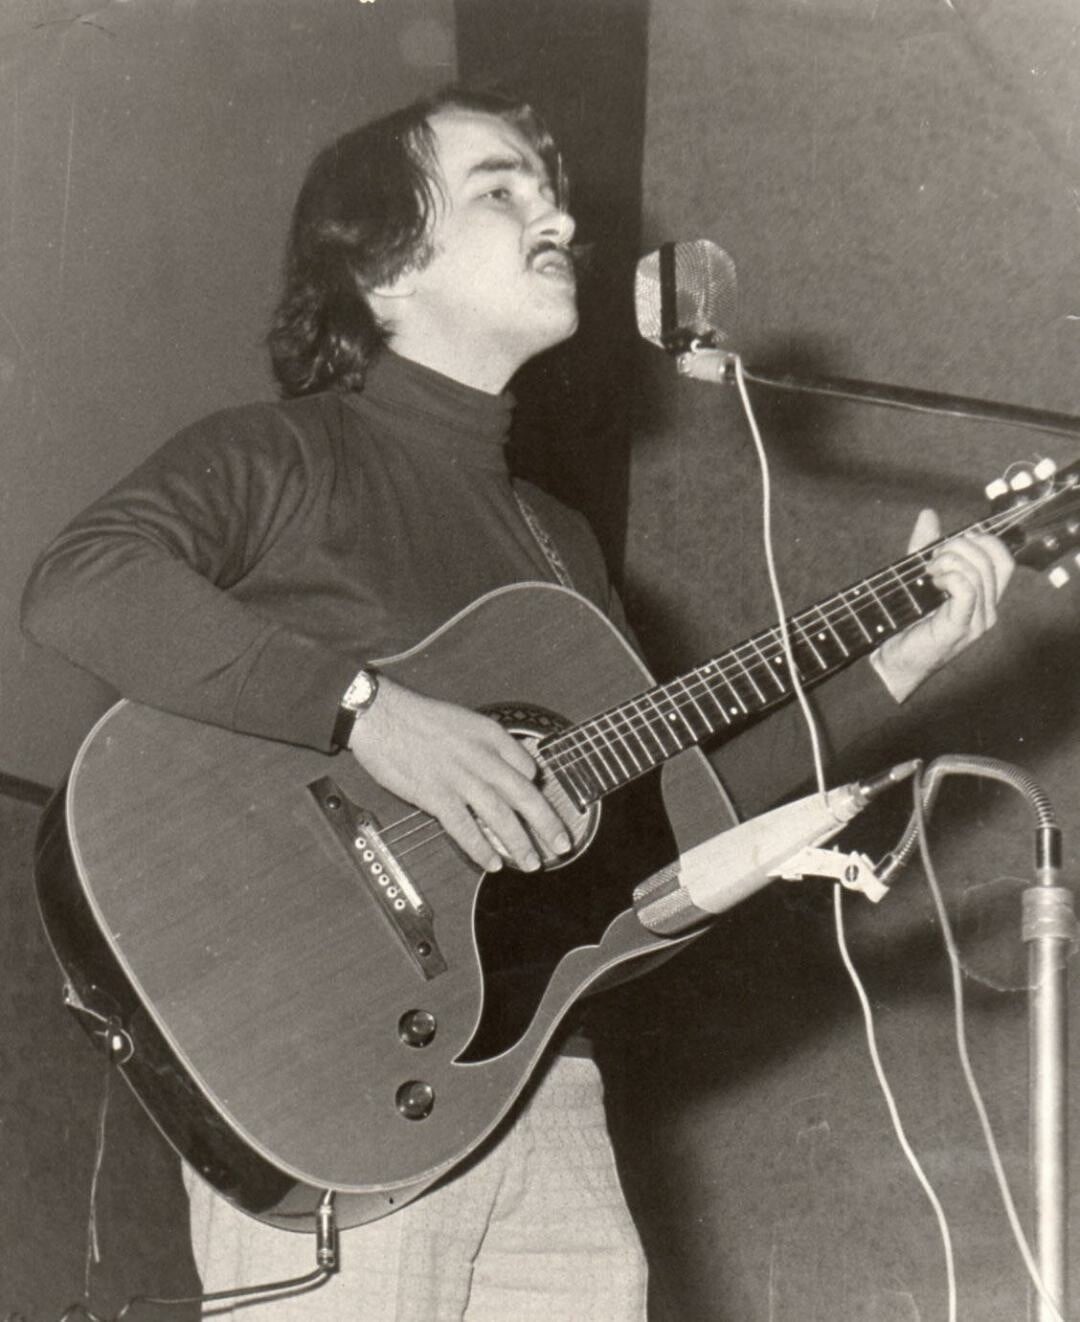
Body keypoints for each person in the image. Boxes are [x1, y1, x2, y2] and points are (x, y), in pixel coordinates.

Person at [21, 87, 1013, 1321]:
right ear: (385, 266)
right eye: (501, 188)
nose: (559, 215)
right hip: (332, 1074)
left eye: (550, 191)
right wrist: (373, 711)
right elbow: (81, 583)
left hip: (538, 1085)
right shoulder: (287, 454)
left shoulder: (560, 540)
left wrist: (893, 669)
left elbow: (678, 819)